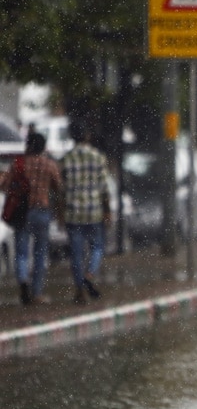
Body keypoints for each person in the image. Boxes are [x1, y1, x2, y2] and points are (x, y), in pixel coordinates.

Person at [1, 132, 62, 305]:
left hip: (22, 212)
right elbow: (58, 186)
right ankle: (37, 293)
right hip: (41, 212)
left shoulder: (18, 164)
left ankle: (22, 280)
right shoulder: (49, 165)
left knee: (21, 252)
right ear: (43, 146)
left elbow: (5, 186)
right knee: (40, 253)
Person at [60, 120, 112, 305]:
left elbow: (61, 189)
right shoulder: (98, 157)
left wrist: (60, 213)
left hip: (73, 212)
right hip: (94, 211)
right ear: (87, 136)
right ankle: (89, 274)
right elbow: (104, 188)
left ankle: (80, 289)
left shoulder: (66, 159)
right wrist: (108, 210)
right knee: (97, 247)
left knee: (76, 253)